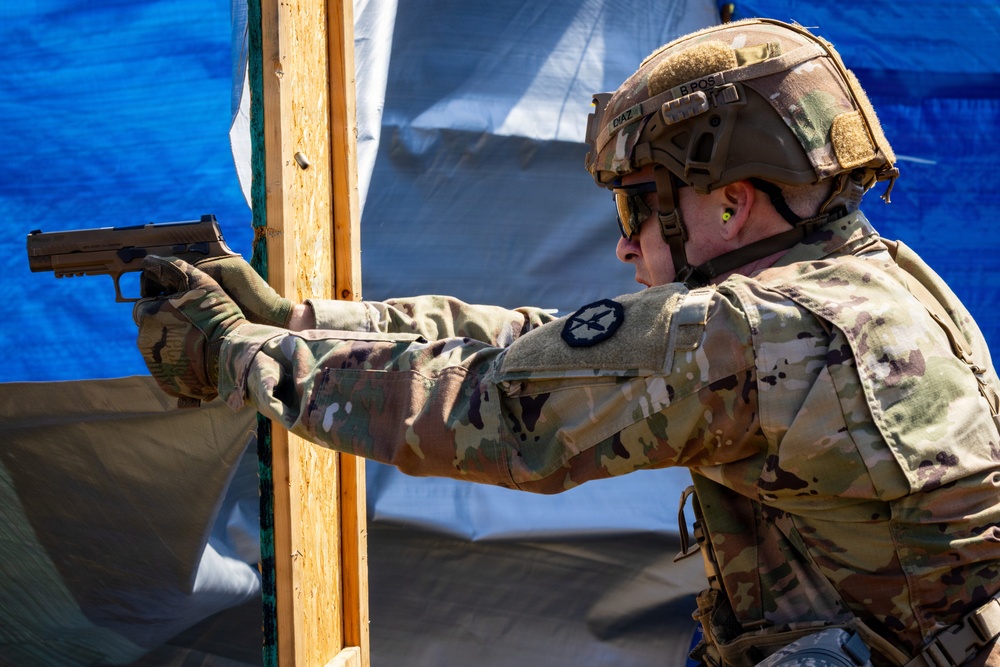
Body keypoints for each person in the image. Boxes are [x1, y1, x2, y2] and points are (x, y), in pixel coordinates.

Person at [133, 18, 1000, 667]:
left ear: (731, 203)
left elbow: (497, 409)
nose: (625, 245)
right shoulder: (882, 284)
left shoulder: (749, 333)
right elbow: (541, 350)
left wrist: (240, 354)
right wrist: (302, 323)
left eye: (638, 204)